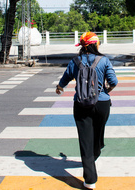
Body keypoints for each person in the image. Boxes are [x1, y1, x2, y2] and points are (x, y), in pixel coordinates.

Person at [56, 32, 118, 189]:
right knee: (98, 134)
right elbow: (113, 81)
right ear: (95, 45)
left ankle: (90, 180)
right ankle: (95, 154)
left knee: (85, 141)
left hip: (81, 104)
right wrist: (105, 92)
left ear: (83, 46)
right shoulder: (103, 60)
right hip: (102, 104)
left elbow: (66, 77)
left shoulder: (75, 61)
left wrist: (60, 87)